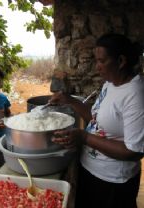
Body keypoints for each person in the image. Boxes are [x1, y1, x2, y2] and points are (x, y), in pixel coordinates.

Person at [49, 33, 144, 208]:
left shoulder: (135, 95)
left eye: (102, 61)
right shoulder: (110, 83)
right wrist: (70, 100)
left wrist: (84, 138)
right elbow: (96, 118)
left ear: (121, 61)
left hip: (112, 183)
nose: (97, 67)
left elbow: (134, 151)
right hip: (90, 170)